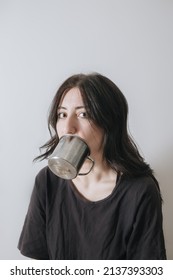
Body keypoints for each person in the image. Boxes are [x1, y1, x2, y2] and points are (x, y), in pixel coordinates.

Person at [18, 73, 166, 260]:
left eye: (83, 114)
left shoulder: (139, 191)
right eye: (62, 114)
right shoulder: (47, 181)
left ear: (109, 122)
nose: (68, 127)